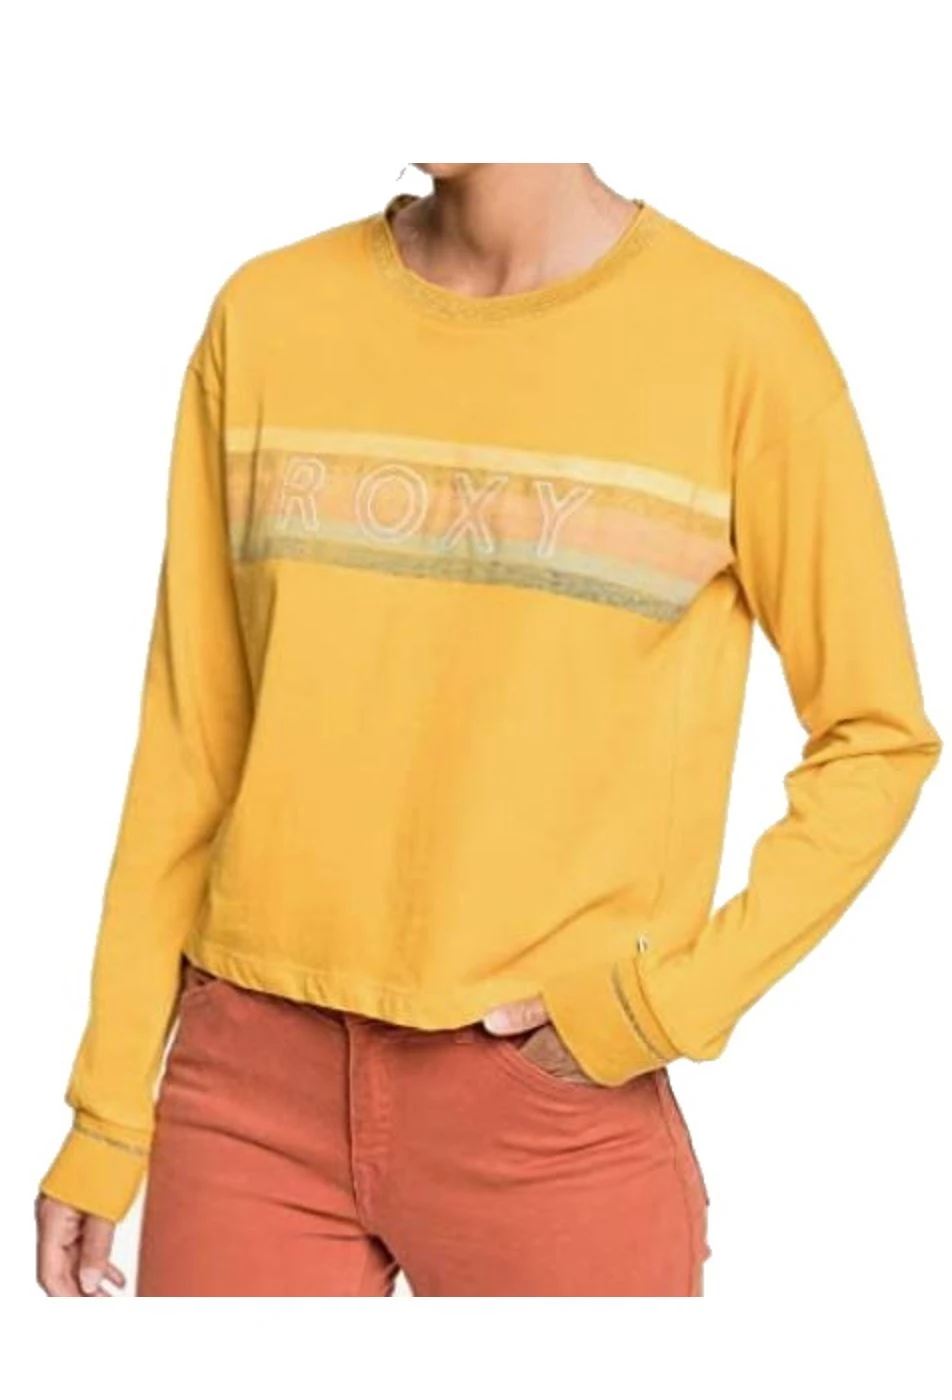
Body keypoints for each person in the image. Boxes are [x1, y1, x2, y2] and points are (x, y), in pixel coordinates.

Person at [36, 163, 941, 1297]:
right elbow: (190, 743)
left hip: (548, 1101)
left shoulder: (741, 343)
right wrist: (109, 1108)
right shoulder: (267, 313)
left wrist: (664, 1006)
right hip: (246, 1090)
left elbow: (876, 735)